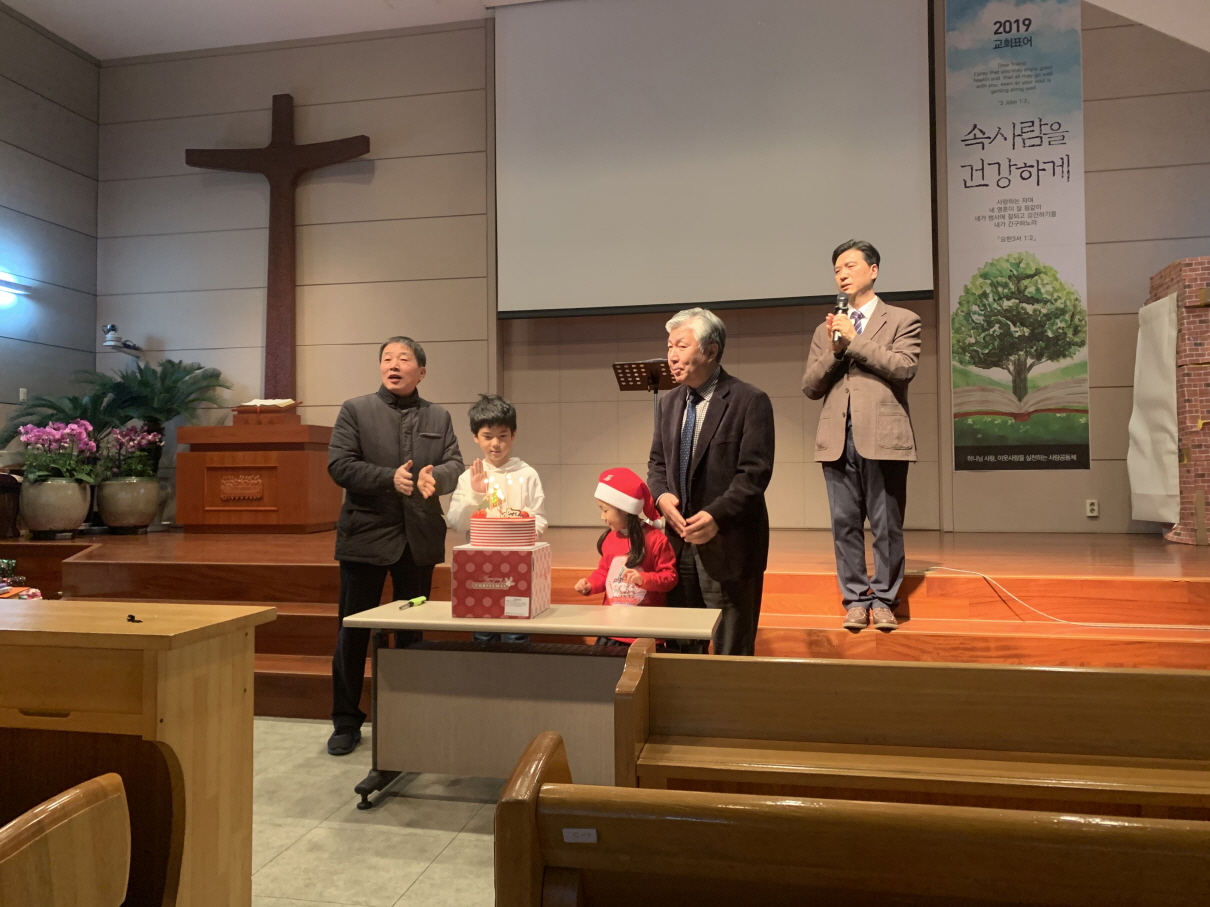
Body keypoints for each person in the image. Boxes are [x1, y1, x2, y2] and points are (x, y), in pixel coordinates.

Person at [326, 336, 464, 755]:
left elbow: (455, 463)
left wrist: (436, 478)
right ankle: (346, 720)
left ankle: (408, 717)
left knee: (410, 635)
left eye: (404, 359)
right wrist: (389, 478)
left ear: (421, 372)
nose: (394, 364)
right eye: (387, 358)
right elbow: (339, 465)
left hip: (418, 539)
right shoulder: (356, 410)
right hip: (365, 537)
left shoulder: (438, 415)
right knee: (353, 631)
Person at [802, 240, 921, 632]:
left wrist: (856, 340)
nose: (842, 274)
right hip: (837, 437)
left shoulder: (902, 320)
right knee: (845, 524)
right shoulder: (826, 329)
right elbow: (810, 386)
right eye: (837, 269)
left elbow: (903, 368)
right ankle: (855, 599)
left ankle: (884, 598)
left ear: (873, 270)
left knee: (886, 525)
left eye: (850, 266)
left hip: (883, 437)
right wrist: (836, 349)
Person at [647, 308, 775, 656]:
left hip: (729, 544)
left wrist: (716, 516)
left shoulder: (749, 400)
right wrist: (661, 498)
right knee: (681, 649)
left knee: (732, 651)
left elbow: (754, 475)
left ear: (711, 350)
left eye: (681, 345)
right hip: (678, 544)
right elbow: (657, 464)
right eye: (669, 346)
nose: (671, 355)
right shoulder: (669, 403)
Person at [446, 393, 547, 643]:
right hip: (480, 564)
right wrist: (475, 494)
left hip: (518, 563)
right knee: (483, 629)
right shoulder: (469, 477)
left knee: (516, 630)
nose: (496, 444)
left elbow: (540, 518)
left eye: (503, 436)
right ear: (475, 436)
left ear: (513, 435)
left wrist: (522, 530)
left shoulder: (527, 474)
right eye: (487, 436)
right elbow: (456, 522)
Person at [574, 467, 677, 646]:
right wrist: (590, 584)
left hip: (644, 632)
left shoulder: (655, 540)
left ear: (624, 509)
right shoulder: (610, 538)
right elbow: (604, 572)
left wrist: (644, 579)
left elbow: (670, 577)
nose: (602, 516)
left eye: (605, 510)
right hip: (612, 630)